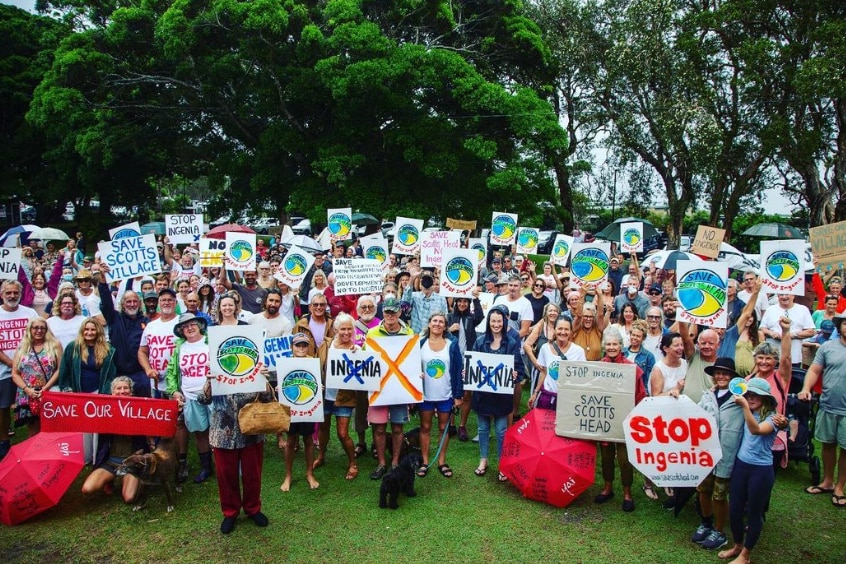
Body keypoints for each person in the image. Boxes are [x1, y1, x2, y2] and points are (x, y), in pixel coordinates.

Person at [718, 378, 787, 563]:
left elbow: (756, 430)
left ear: (765, 398)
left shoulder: (773, 418)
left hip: (760, 470)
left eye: (756, 395)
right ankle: (738, 545)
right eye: (748, 394)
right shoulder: (746, 410)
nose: (751, 398)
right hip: (741, 466)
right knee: (734, 509)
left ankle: (746, 555)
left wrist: (745, 406)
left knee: (754, 513)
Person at [197, 362, 272, 534]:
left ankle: (253, 508)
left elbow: (267, 399)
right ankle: (230, 512)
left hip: (252, 431)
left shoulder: (254, 367)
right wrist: (210, 381)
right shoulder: (217, 368)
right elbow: (203, 399)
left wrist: (263, 380)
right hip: (223, 432)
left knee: (252, 474)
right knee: (226, 475)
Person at [691, 357, 745, 551]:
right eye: (718, 373)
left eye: (726, 373)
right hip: (706, 453)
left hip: (727, 454)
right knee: (703, 490)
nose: (721, 376)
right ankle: (706, 522)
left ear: (732, 377)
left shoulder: (740, 399)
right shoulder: (707, 395)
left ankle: (719, 531)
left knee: (720, 495)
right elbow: (694, 417)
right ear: (713, 376)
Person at [593, 327, 646, 512]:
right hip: (606, 420)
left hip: (626, 422)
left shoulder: (632, 369)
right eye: (608, 344)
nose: (612, 347)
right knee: (606, 457)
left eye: (615, 344)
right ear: (604, 347)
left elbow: (641, 395)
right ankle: (608, 487)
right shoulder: (599, 367)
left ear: (621, 346)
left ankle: (627, 492)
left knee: (624, 459)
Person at [471, 306, 524, 482]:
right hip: (483, 395)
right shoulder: (479, 342)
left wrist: (515, 374)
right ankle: (483, 459)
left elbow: (519, 369)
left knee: (501, 430)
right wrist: (468, 373)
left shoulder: (512, 342)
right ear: (488, 322)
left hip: (502, 397)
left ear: (504, 322)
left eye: (499, 321)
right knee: (483, 428)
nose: (496, 324)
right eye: (493, 321)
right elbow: (472, 365)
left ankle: (503, 463)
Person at [799, 311, 846, 506]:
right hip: (828, 404)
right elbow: (815, 370)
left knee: (845, 449)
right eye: (845, 323)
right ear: (840, 326)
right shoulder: (827, 347)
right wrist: (806, 388)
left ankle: (840, 486)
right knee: (827, 444)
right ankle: (827, 481)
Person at [365, 297, 414, 480]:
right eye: (387, 312)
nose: (390, 315)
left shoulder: (408, 333)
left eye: (394, 312)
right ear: (383, 312)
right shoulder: (372, 333)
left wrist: (417, 374)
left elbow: (412, 361)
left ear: (400, 312)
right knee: (378, 428)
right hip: (379, 388)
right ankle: (381, 463)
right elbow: (366, 358)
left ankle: (394, 462)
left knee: (397, 428)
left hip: (400, 388)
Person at [57, 318, 118, 463]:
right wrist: (67, 389)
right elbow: (64, 371)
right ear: (82, 331)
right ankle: (85, 457)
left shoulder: (109, 350)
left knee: (97, 428)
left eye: (92, 329)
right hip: (79, 393)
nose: (89, 332)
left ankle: (98, 457)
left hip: (98, 392)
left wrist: (104, 393)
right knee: (83, 427)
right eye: (87, 329)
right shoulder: (73, 348)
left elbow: (111, 375)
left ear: (98, 331)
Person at [80, 377, 146, 503]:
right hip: (110, 462)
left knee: (129, 498)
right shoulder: (105, 410)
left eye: (125, 388)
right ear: (112, 392)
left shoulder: (141, 409)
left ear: (131, 392)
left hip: (131, 462)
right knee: (87, 489)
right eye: (118, 388)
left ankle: (138, 480)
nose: (122, 391)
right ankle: (110, 479)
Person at [166, 313, 214, 484]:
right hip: (190, 396)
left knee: (220, 430)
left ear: (200, 325)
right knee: (200, 432)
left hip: (213, 394)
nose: (189, 328)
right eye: (185, 326)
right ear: (181, 330)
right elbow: (171, 372)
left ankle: (226, 465)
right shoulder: (179, 348)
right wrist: (174, 392)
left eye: (192, 324)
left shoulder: (211, 342)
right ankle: (206, 468)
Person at [417, 312, 463, 478]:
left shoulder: (452, 344)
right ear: (429, 324)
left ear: (445, 326)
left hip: (446, 394)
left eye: (441, 322)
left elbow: (458, 370)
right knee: (425, 427)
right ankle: (424, 461)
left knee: (444, 428)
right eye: (434, 321)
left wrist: (458, 395)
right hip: (425, 395)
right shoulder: (419, 343)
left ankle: (441, 461)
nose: (437, 324)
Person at [0, 280, 39, 457]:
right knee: (3, 407)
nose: (12, 296)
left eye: (15, 292)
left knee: (34, 407)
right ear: (2, 295)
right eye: (8, 293)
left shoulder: (30, 313)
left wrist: (26, 365)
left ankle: (34, 442)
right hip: (4, 370)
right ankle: (3, 443)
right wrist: (12, 364)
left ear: (20, 294)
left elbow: (38, 337)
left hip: (30, 370)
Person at [98, 267, 151, 396]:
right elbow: (106, 303)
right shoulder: (115, 318)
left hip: (141, 374)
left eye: (134, 301)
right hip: (119, 373)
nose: (131, 304)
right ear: (122, 304)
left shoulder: (147, 322)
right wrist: (103, 281)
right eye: (128, 301)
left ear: (139, 304)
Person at [281, 332, 322, 491]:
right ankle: (288, 475)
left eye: (304, 344)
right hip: (291, 408)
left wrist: (320, 387)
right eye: (298, 345)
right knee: (290, 441)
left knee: (309, 441)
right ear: (292, 347)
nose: (301, 348)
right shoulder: (285, 363)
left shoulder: (313, 362)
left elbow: (317, 382)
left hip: (308, 406)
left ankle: (309, 473)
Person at [11, 318, 61, 436]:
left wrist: (45, 389)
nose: (39, 331)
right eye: (36, 328)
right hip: (28, 392)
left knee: (50, 427)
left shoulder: (55, 345)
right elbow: (15, 374)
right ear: (30, 329)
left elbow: (59, 369)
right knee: (32, 427)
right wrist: (27, 390)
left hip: (48, 391)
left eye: (42, 328)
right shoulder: (22, 347)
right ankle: (33, 452)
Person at [449, 295, 484, 443]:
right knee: (451, 390)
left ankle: (462, 425)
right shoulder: (449, 317)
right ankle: (450, 424)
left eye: (465, 301)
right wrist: (450, 330)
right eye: (460, 301)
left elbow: (481, 316)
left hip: (469, 358)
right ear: (456, 303)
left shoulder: (471, 318)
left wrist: (476, 299)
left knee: (467, 392)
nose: (462, 304)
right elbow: (441, 334)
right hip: (453, 359)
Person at [717, 278, 764, 377]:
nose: (719, 329)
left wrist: (755, 292)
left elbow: (746, 314)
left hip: (741, 378)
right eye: (716, 326)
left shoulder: (731, 334)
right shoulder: (706, 340)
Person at [138, 288, 179, 400]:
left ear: (176, 302)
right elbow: (142, 351)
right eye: (163, 300)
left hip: (178, 384)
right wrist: (148, 369)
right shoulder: (151, 326)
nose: (166, 303)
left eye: (170, 300)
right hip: (156, 384)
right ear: (159, 303)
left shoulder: (182, 323)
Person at [760, 293, 815, 366]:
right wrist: (771, 333)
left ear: (793, 295)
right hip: (772, 357)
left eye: (787, 294)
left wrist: (791, 335)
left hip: (793, 358)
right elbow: (762, 328)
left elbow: (811, 331)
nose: (784, 297)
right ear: (778, 296)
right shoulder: (770, 309)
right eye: (781, 295)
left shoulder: (803, 309)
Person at [680, 326, 720, 404]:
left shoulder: (721, 366)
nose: (707, 346)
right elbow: (685, 339)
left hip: (709, 411)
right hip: (687, 408)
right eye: (703, 343)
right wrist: (681, 319)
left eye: (711, 343)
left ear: (718, 345)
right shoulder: (694, 356)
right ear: (698, 344)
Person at [400, 270, 449, 334]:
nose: (426, 281)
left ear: (433, 281)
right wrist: (412, 279)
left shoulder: (441, 298)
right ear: (420, 281)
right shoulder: (414, 296)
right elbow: (404, 303)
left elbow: (445, 318)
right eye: (424, 279)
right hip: (417, 336)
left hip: (435, 336)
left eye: (429, 279)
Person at [625, 320, 655, 391]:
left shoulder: (649, 356)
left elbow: (649, 379)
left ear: (643, 338)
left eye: (638, 336)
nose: (634, 338)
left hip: (639, 390)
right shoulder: (622, 352)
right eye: (633, 335)